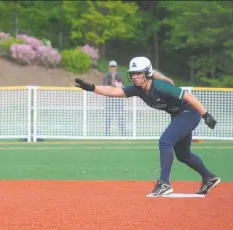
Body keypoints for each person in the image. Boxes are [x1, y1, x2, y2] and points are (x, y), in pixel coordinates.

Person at [75, 56, 220, 197]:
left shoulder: (160, 86)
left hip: (189, 113)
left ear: (148, 73)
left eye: (139, 73)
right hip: (179, 116)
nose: (135, 77)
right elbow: (114, 91)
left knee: (165, 141)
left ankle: (164, 184)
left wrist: (205, 115)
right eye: (133, 74)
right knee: (183, 155)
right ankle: (209, 177)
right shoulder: (138, 89)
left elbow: (188, 96)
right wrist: (91, 88)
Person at [102, 60, 126, 136]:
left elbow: (122, 85)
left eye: (114, 66)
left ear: (116, 67)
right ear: (109, 67)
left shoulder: (119, 75)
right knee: (108, 116)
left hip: (118, 98)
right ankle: (107, 133)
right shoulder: (106, 76)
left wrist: (117, 86)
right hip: (109, 98)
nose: (113, 68)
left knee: (120, 115)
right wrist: (114, 86)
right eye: (111, 67)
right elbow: (105, 86)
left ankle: (122, 133)